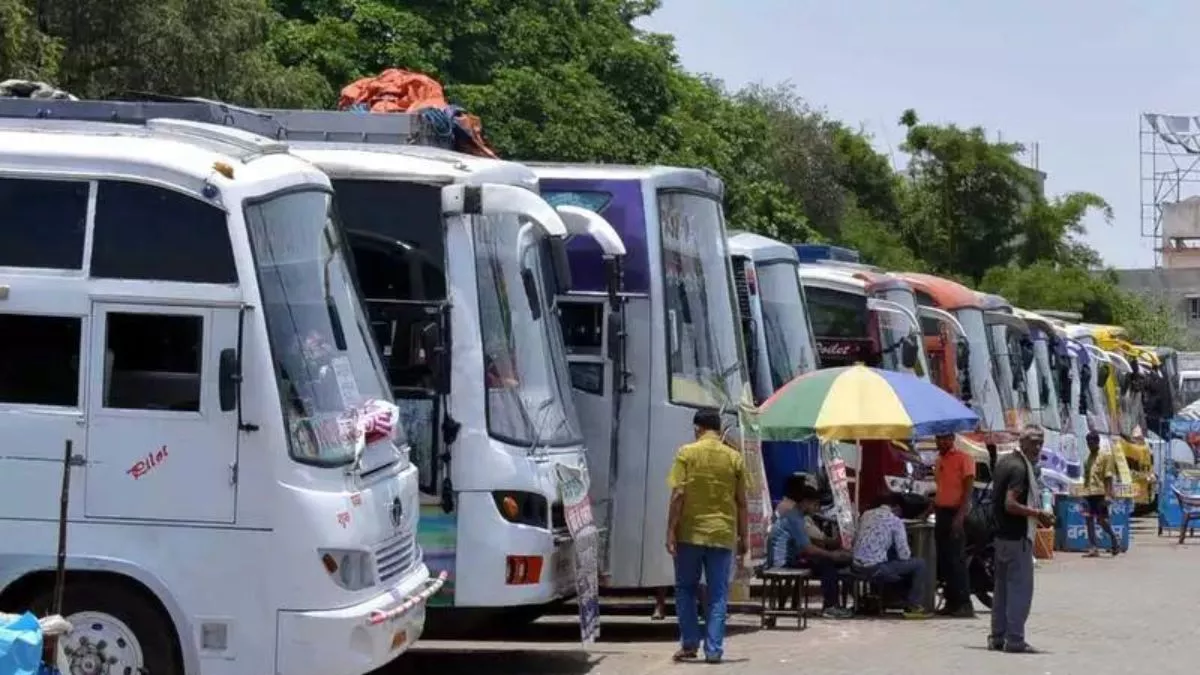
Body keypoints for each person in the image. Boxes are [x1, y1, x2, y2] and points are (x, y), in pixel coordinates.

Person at [666, 409, 747, 664]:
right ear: (718, 429)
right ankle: (713, 650)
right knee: (718, 593)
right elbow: (742, 502)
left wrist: (670, 530)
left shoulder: (686, 453)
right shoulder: (735, 458)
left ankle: (690, 643)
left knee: (685, 589)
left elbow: (678, 495)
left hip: (690, 533)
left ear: (697, 428)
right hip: (723, 535)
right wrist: (744, 537)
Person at [989, 425, 1055, 654]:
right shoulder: (1018, 468)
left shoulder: (1005, 462)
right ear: (1023, 442)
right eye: (1034, 442)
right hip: (1016, 537)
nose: (1037, 447)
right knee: (1020, 591)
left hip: (1001, 537)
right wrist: (1038, 514)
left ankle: (997, 637)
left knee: (1002, 591)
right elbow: (1010, 503)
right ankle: (1015, 640)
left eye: (1041, 442)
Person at [765, 476, 854, 619]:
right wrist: (832, 555)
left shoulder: (796, 516)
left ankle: (832, 604)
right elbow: (808, 548)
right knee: (827, 564)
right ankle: (830, 607)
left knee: (824, 561)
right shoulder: (794, 519)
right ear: (806, 502)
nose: (816, 509)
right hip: (783, 562)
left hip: (790, 558)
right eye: (815, 505)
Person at [851, 494, 930, 619]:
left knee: (890, 562)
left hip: (855, 565)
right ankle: (913, 606)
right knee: (919, 564)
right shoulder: (895, 521)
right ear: (897, 508)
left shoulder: (866, 514)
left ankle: (893, 599)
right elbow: (904, 555)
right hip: (875, 568)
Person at [932, 432, 976, 618]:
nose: (941, 442)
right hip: (941, 513)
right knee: (944, 561)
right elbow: (940, 490)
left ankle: (964, 603)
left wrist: (960, 517)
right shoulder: (939, 460)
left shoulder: (963, 458)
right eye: (938, 438)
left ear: (952, 439)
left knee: (957, 560)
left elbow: (968, 491)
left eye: (945, 438)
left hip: (956, 513)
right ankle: (951, 602)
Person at [1082, 431, 1120, 557]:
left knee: (1102, 521)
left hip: (1100, 493)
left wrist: (1108, 495)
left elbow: (1108, 477)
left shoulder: (1105, 456)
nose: (1089, 445)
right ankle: (1093, 547)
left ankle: (1114, 539)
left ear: (1097, 442)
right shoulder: (1087, 459)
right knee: (1088, 519)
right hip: (1088, 493)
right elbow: (1087, 477)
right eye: (1088, 443)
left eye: (1092, 443)